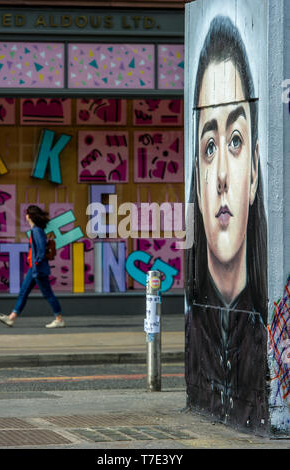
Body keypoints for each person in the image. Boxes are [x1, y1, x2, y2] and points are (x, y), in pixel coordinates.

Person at [185, 15, 268, 429]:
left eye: (235, 141)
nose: (220, 175)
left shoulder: (272, 328)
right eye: (209, 145)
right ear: (197, 181)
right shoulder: (195, 331)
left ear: (254, 172)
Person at [0, 205, 65, 328]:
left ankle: (59, 319)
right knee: (23, 292)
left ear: (30, 216)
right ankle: (11, 318)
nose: (25, 215)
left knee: (48, 294)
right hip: (34, 269)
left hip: (38, 269)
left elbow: (41, 250)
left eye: (27, 213)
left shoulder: (36, 231)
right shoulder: (36, 230)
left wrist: (37, 263)